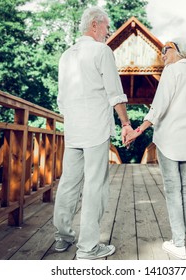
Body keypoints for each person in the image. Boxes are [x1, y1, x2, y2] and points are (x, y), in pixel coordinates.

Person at [53, 6, 133, 260]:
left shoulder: (67, 55)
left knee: (69, 182)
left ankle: (62, 236)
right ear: (95, 25)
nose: (108, 32)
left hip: (73, 128)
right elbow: (115, 93)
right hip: (95, 127)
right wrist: (126, 124)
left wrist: (71, 119)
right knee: (95, 184)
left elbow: (62, 99)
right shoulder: (102, 51)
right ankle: (88, 247)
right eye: (107, 26)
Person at [125, 39, 186, 259]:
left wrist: (139, 129)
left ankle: (179, 244)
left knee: (173, 191)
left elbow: (158, 106)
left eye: (166, 50)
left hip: (169, 140)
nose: (162, 54)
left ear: (179, 52)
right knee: (185, 190)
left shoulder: (172, 73)